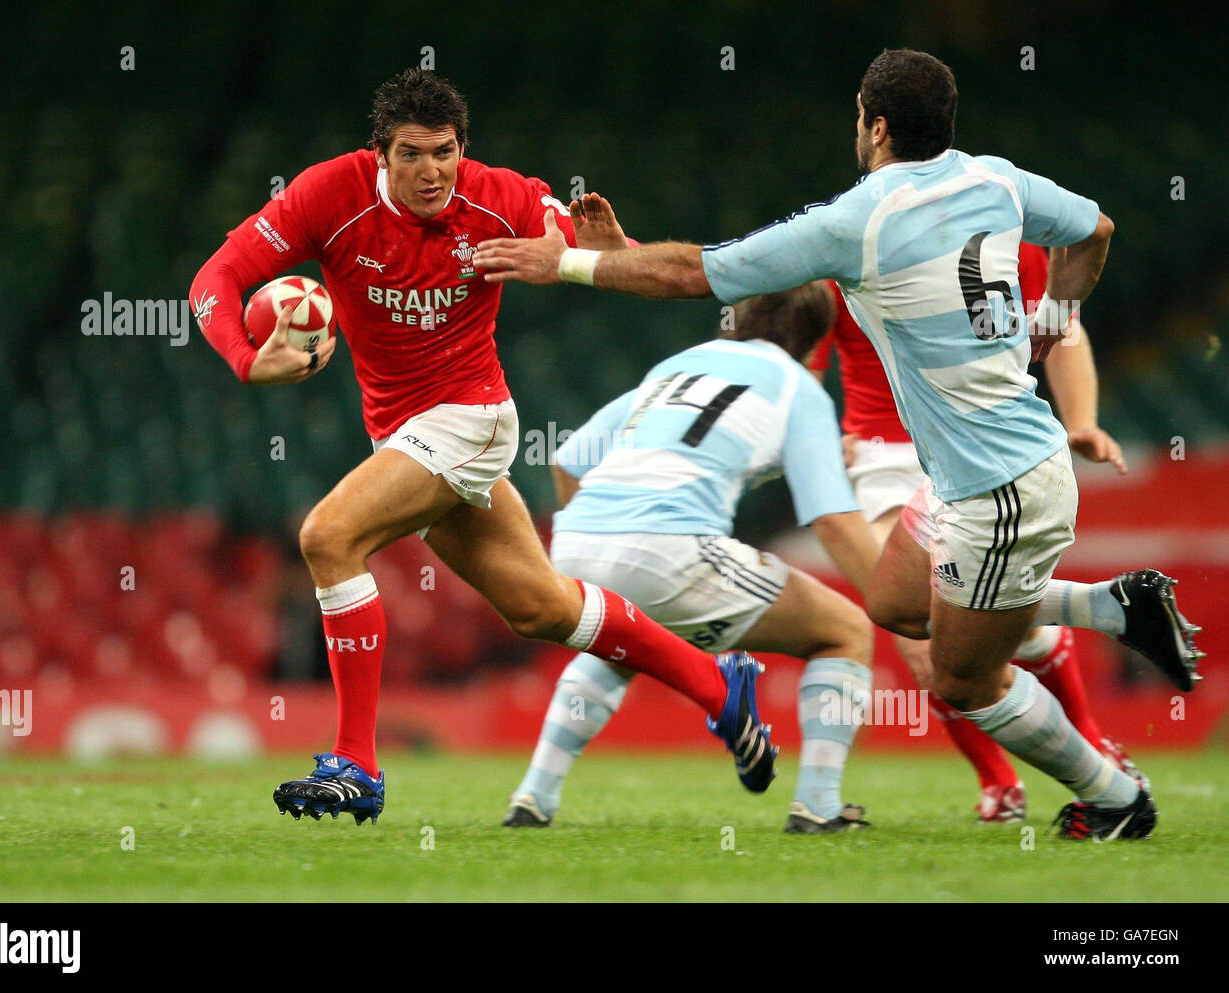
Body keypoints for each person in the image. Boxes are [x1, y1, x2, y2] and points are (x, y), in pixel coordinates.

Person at [473, 49, 1204, 840]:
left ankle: (1116, 799)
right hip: (965, 478)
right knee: (892, 604)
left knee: (966, 680)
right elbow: (1095, 229)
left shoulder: (858, 221)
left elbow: (702, 274)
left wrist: (573, 262)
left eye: (859, 113)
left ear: (877, 125)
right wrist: (1050, 324)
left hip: (1001, 487)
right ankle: (1110, 605)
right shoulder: (996, 179)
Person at [188, 68, 777, 825]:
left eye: (445, 152)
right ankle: (720, 686)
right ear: (379, 155)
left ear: (462, 149)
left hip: (472, 418)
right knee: (540, 608)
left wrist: (611, 246)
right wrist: (244, 357)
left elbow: (604, 251)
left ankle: (356, 764)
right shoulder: (325, 197)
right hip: (403, 432)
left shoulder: (503, 196)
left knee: (328, 537)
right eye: (411, 154)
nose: (431, 171)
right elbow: (216, 278)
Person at [506, 275, 881, 834]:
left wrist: (599, 542)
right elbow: (832, 520)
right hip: (670, 546)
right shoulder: (796, 386)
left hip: (575, 541)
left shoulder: (680, 365)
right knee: (846, 631)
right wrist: (895, 603)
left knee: (625, 641)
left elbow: (568, 460)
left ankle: (533, 797)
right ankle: (819, 805)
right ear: (813, 339)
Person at [807, 246, 1146, 823]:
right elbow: (800, 363)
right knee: (921, 633)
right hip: (884, 461)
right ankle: (999, 782)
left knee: (1011, 633)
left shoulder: (1015, 246)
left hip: (981, 451)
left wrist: (1082, 420)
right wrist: (811, 433)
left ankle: (1092, 743)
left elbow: (1063, 330)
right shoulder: (846, 243)